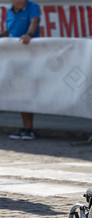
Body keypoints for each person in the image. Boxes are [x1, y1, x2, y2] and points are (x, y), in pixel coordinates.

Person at [0, 0, 40, 140]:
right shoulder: (9, 10)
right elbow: (9, 31)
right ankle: (25, 127)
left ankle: (29, 128)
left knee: (26, 90)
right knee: (18, 91)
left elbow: (34, 22)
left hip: (28, 56)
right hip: (12, 56)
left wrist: (29, 34)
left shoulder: (32, 6)